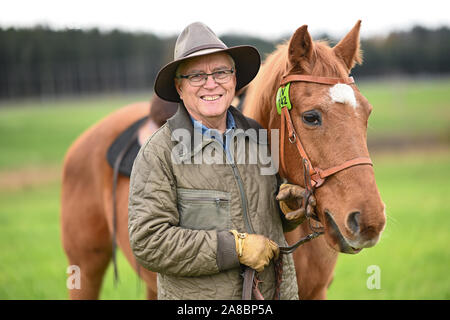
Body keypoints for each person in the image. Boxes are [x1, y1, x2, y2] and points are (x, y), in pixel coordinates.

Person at [128, 22, 308, 300]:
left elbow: (266, 220)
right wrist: (234, 248)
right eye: (196, 75)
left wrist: (287, 209)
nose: (211, 83)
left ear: (234, 79)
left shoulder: (259, 137)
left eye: (221, 72)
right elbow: (149, 242)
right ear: (179, 86)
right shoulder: (158, 153)